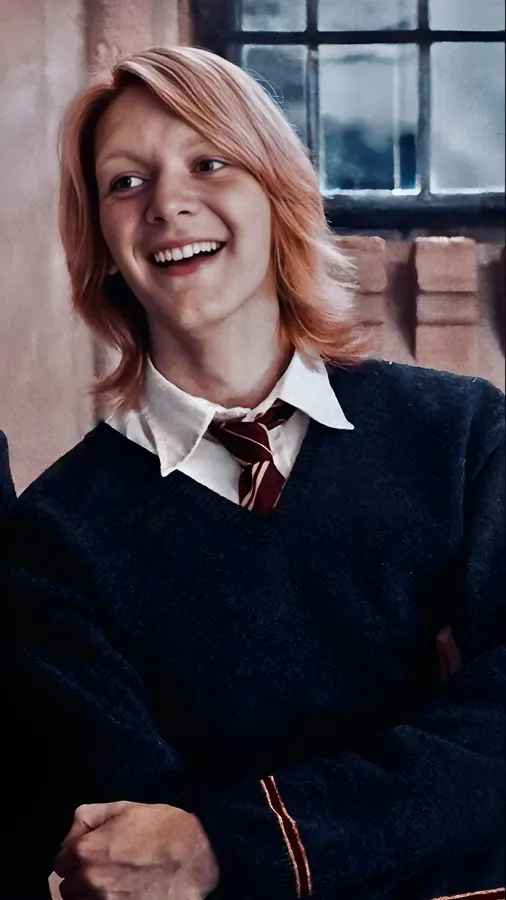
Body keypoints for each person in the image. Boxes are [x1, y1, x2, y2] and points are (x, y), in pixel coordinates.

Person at [2, 45, 504, 900]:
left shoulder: (462, 437)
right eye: (126, 182)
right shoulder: (52, 539)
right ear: (104, 245)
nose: (168, 203)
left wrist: (222, 843)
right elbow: (141, 855)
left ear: (278, 192)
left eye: (209, 163)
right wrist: (433, 777)